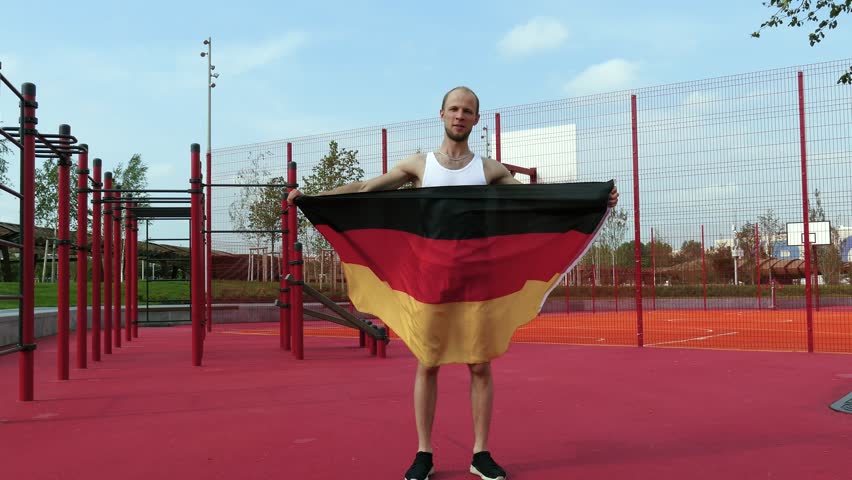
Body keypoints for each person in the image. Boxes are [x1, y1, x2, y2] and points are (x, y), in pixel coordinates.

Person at [288, 86, 619, 480]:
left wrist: (594, 200)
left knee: (479, 366)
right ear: (442, 114)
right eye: (454, 109)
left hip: (479, 284)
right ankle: (423, 453)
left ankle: (481, 453)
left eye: (468, 111)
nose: (460, 116)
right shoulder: (419, 165)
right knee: (428, 364)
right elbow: (364, 190)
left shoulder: (490, 169)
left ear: (476, 120)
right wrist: (314, 197)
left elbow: (539, 202)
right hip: (429, 285)